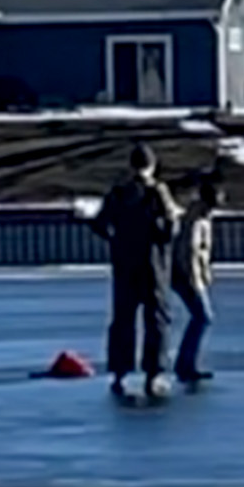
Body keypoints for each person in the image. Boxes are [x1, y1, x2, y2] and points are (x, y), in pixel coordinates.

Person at [90, 144, 181, 398]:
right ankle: (154, 375)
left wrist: (117, 240)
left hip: (125, 266)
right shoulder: (157, 192)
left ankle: (119, 373)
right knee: (157, 321)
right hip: (152, 267)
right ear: (152, 166)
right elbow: (170, 229)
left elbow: (99, 223)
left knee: (123, 321)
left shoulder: (118, 193)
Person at [172, 180, 221, 384]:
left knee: (200, 317)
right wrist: (196, 279)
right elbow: (190, 252)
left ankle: (186, 363)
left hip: (187, 274)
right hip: (187, 275)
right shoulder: (196, 219)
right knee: (203, 316)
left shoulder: (200, 217)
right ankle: (185, 364)